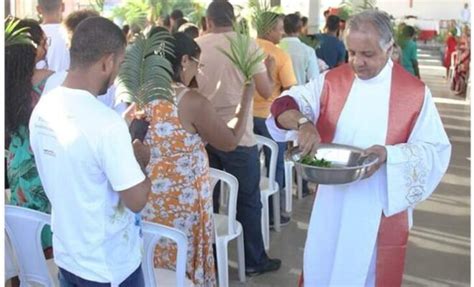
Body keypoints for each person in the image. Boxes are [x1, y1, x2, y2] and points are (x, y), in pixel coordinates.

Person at [267, 10, 451, 286]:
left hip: (378, 208)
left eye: (367, 54)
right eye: (351, 52)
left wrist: (390, 154)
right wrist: (304, 122)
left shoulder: (413, 94)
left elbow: (435, 150)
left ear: (389, 48)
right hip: (331, 204)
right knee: (323, 268)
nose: (357, 62)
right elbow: (283, 105)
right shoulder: (331, 81)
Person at [127, 31, 256, 286]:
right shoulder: (190, 100)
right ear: (184, 61)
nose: (198, 71)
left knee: (155, 265)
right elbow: (229, 141)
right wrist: (247, 97)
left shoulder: (142, 94)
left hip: (150, 199)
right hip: (183, 205)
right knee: (183, 267)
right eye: (198, 64)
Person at [29, 17, 151, 286]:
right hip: (109, 268)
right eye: (119, 64)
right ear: (107, 62)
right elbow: (136, 201)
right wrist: (140, 160)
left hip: (68, 258)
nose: (117, 72)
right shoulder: (106, 124)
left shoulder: (43, 109)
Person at [195, 0, 281, 276]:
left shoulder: (195, 47)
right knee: (247, 199)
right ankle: (254, 260)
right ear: (233, 21)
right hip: (239, 137)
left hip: (203, 136)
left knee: (207, 199)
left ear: (207, 22)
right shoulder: (247, 45)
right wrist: (266, 68)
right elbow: (266, 91)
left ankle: (211, 258)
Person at [5, 18, 55, 281]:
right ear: (33, 47)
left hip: (16, 163)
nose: (46, 45)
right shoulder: (49, 80)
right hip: (42, 161)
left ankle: (24, 276)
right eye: (43, 40)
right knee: (48, 228)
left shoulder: (7, 83)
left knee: (24, 225)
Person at [254, 11, 297, 224]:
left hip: (242, 119)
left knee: (249, 166)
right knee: (275, 165)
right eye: (279, 28)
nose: (282, 33)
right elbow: (290, 90)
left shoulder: (244, 48)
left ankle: (248, 211)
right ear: (269, 29)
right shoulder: (280, 56)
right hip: (269, 120)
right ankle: (273, 214)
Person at [280, 13, 320, 85]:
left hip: (276, 95)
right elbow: (314, 80)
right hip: (299, 94)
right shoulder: (308, 51)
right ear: (300, 29)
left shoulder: (276, 48)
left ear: (282, 28)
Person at [36, 0, 69, 72]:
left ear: (38, 9)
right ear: (63, 7)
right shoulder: (71, 33)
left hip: (39, 82)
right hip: (68, 82)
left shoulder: (32, 34)